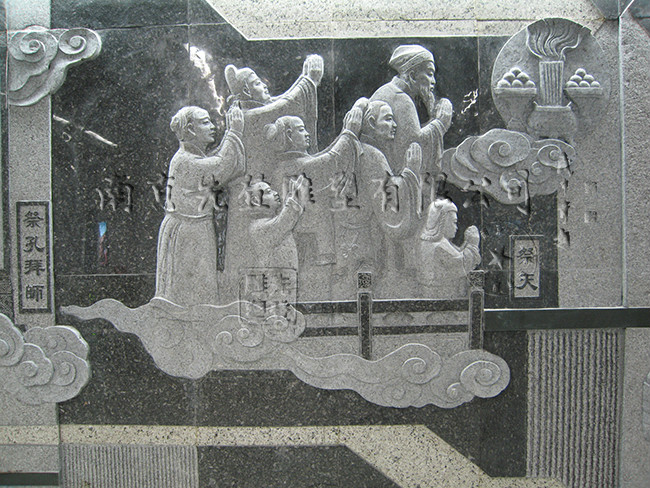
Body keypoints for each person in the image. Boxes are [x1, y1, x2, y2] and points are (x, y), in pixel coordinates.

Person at [155, 106, 245, 306]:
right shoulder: (185, 162)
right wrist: (234, 131)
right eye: (205, 122)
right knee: (192, 295)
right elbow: (221, 167)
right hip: (187, 232)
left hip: (193, 228)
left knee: (198, 291)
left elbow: (220, 162)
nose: (212, 126)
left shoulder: (194, 157)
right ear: (190, 130)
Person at [337, 99, 422, 295]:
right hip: (365, 243)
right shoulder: (372, 155)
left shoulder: (356, 151)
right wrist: (411, 172)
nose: (395, 125)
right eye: (388, 119)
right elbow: (388, 204)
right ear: (372, 123)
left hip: (352, 242)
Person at [369, 45, 453, 178]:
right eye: (429, 74)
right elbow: (414, 147)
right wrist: (441, 123)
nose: (433, 81)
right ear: (412, 76)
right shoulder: (401, 99)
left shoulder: (388, 91)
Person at [418, 199, 481, 298]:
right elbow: (461, 263)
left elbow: (456, 254)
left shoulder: (428, 242)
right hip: (444, 296)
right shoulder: (439, 246)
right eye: (454, 222)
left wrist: (466, 243)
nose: (456, 227)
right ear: (442, 222)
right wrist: (473, 244)